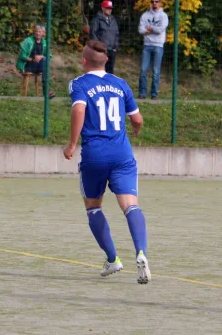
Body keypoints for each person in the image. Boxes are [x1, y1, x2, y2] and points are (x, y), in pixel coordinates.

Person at [63, 39, 149, 284]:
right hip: (122, 154)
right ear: (106, 61)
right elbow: (138, 119)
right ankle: (141, 252)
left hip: (95, 156)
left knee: (93, 207)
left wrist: (71, 144)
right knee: (130, 205)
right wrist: (136, 130)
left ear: (84, 62)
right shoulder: (120, 84)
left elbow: (79, 110)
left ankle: (113, 259)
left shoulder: (79, 84)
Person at [137, 0, 168, 99]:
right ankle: (142, 93)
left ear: (160, 3)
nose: (154, 3)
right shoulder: (145, 15)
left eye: (156, 1)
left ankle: (154, 94)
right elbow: (140, 30)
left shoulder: (163, 16)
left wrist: (149, 29)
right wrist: (154, 29)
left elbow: (160, 30)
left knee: (156, 72)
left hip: (158, 46)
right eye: (152, 1)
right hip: (147, 45)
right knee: (143, 70)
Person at [15, 24, 55, 98]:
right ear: (34, 32)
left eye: (40, 32)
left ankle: (46, 89)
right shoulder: (28, 41)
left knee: (44, 60)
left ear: (43, 33)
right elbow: (22, 56)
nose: (38, 33)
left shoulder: (45, 42)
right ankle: (46, 90)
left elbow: (49, 56)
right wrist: (33, 59)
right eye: (36, 31)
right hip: (28, 65)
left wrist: (41, 56)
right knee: (44, 62)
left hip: (39, 65)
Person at [90, 0, 119, 74]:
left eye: (111, 8)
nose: (110, 10)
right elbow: (93, 33)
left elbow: (116, 33)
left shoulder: (113, 20)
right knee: (100, 71)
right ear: (103, 8)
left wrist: (115, 46)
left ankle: (108, 85)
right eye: (108, 8)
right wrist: (99, 47)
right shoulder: (97, 20)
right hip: (102, 50)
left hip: (112, 50)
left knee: (110, 71)